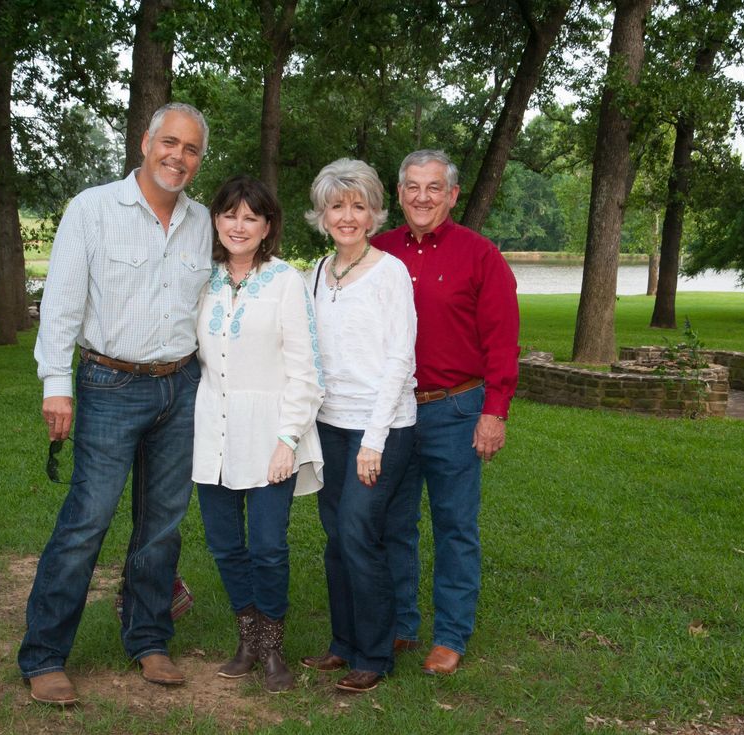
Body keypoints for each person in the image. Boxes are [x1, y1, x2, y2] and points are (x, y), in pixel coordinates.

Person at [19, 102, 212, 707]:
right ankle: (45, 655)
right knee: (87, 521)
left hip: (181, 386)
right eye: (170, 142)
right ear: (146, 142)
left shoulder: (203, 221)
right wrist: (56, 383)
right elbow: (62, 302)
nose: (178, 156)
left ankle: (149, 638)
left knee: (163, 525)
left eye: (191, 149)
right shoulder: (93, 209)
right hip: (110, 385)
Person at [373, 149, 519, 675]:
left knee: (455, 526)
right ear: (399, 193)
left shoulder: (480, 256)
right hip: (393, 412)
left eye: (434, 187)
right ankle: (400, 625)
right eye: (412, 186)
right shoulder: (378, 252)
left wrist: (494, 411)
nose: (422, 197)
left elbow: (502, 340)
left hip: (455, 409)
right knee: (394, 524)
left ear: (453, 195)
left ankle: (451, 634)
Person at [193, 175, 324, 693]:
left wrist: (288, 439)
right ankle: (247, 638)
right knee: (225, 545)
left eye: (251, 217)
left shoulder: (286, 281)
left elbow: (307, 370)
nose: (239, 225)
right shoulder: (201, 279)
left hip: (271, 435)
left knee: (268, 547)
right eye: (230, 215)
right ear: (215, 220)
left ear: (268, 226)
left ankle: (272, 647)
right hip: (213, 432)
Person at [299, 159, 417, 693]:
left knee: (358, 532)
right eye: (337, 205)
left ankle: (375, 654)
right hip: (329, 424)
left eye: (358, 206)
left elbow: (399, 361)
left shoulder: (390, 273)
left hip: (382, 428)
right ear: (322, 214)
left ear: (373, 214)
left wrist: (374, 441)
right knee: (335, 538)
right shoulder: (316, 273)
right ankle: (343, 644)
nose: (347, 216)